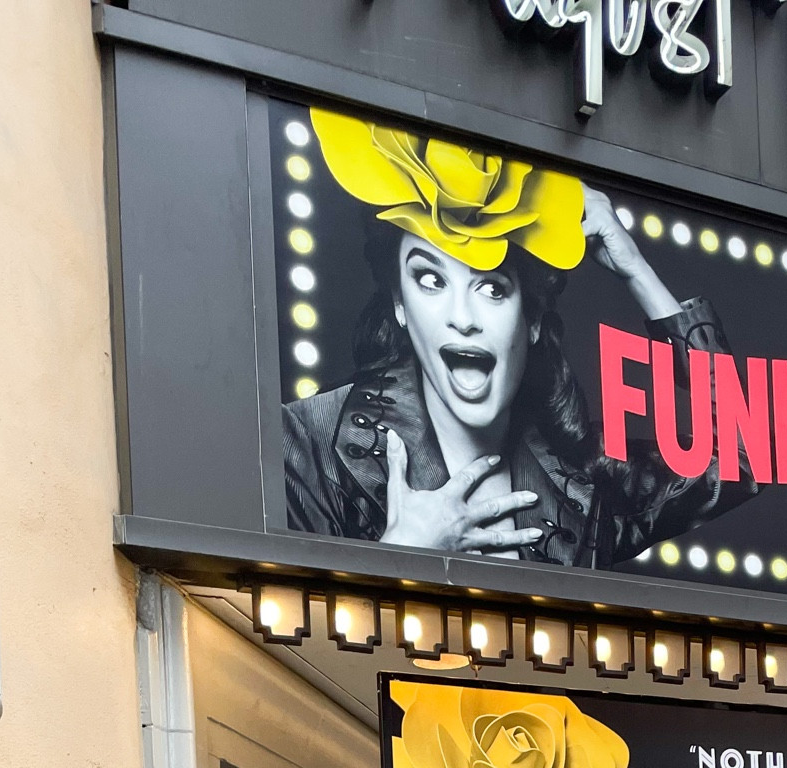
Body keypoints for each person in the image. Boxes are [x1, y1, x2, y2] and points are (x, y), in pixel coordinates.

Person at [284, 119, 747, 565]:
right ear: (399, 304)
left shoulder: (583, 475)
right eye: (430, 279)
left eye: (491, 288)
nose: (462, 318)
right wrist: (403, 554)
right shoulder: (308, 441)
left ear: (533, 319)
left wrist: (635, 270)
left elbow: (743, 457)